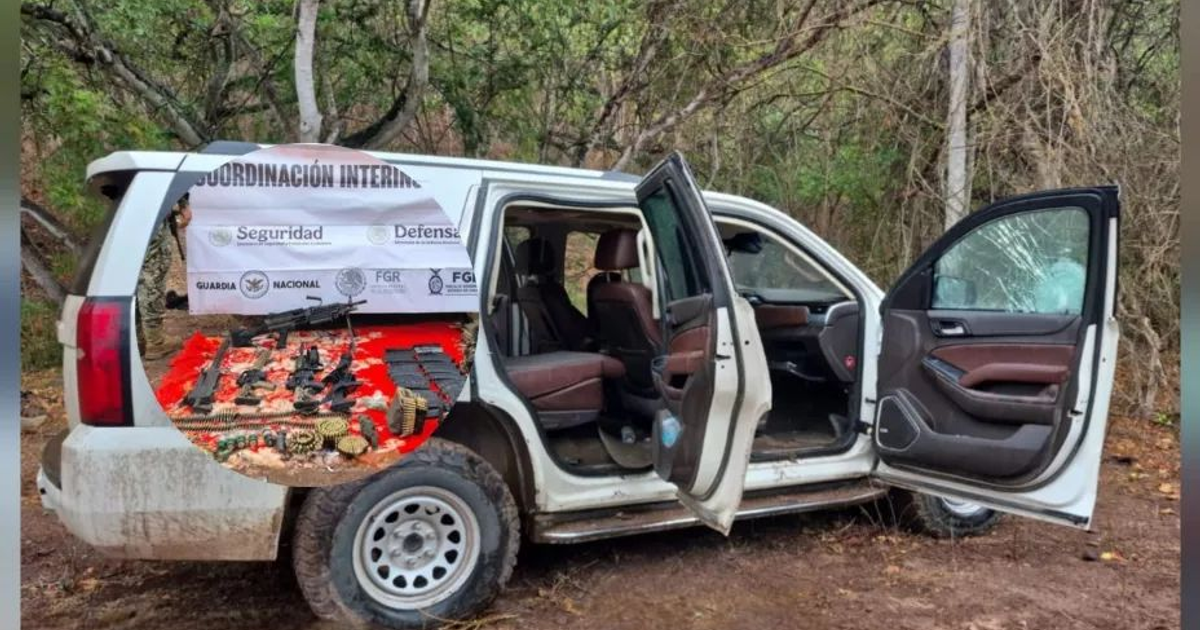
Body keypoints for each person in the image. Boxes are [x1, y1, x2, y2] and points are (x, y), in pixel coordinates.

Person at [137, 196, 190, 359]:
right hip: (151, 208)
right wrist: (183, 203)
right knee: (152, 272)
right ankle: (155, 341)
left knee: (135, 273)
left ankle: (140, 337)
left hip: (131, 207)